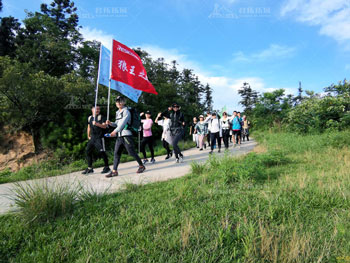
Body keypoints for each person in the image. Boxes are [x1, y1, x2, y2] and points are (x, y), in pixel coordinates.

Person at [105, 96, 145, 177]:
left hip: (126, 135)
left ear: (124, 102)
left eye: (120, 101)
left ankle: (141, 166)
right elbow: (117, 124)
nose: (119, 103)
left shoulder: (126, 111)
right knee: (116, 153)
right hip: (120, 136)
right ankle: (114, 171)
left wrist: (114, 132)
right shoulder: (118, 112)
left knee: (131, 152)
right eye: (117, 101)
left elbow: (123, 124)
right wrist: (110, 123)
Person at [82, 105, 111, 175]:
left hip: (100, 138)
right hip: (92, 138)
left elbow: (104, 126)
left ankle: (107, 167)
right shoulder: (90, 118)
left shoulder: (101, 117)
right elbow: (88, 127)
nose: (97, 110)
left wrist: (97, 124)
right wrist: (88, 135)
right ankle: (90, 168)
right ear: (92, 110)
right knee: (88, 151)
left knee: (102, 152)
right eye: (96, 109)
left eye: (98, 109)